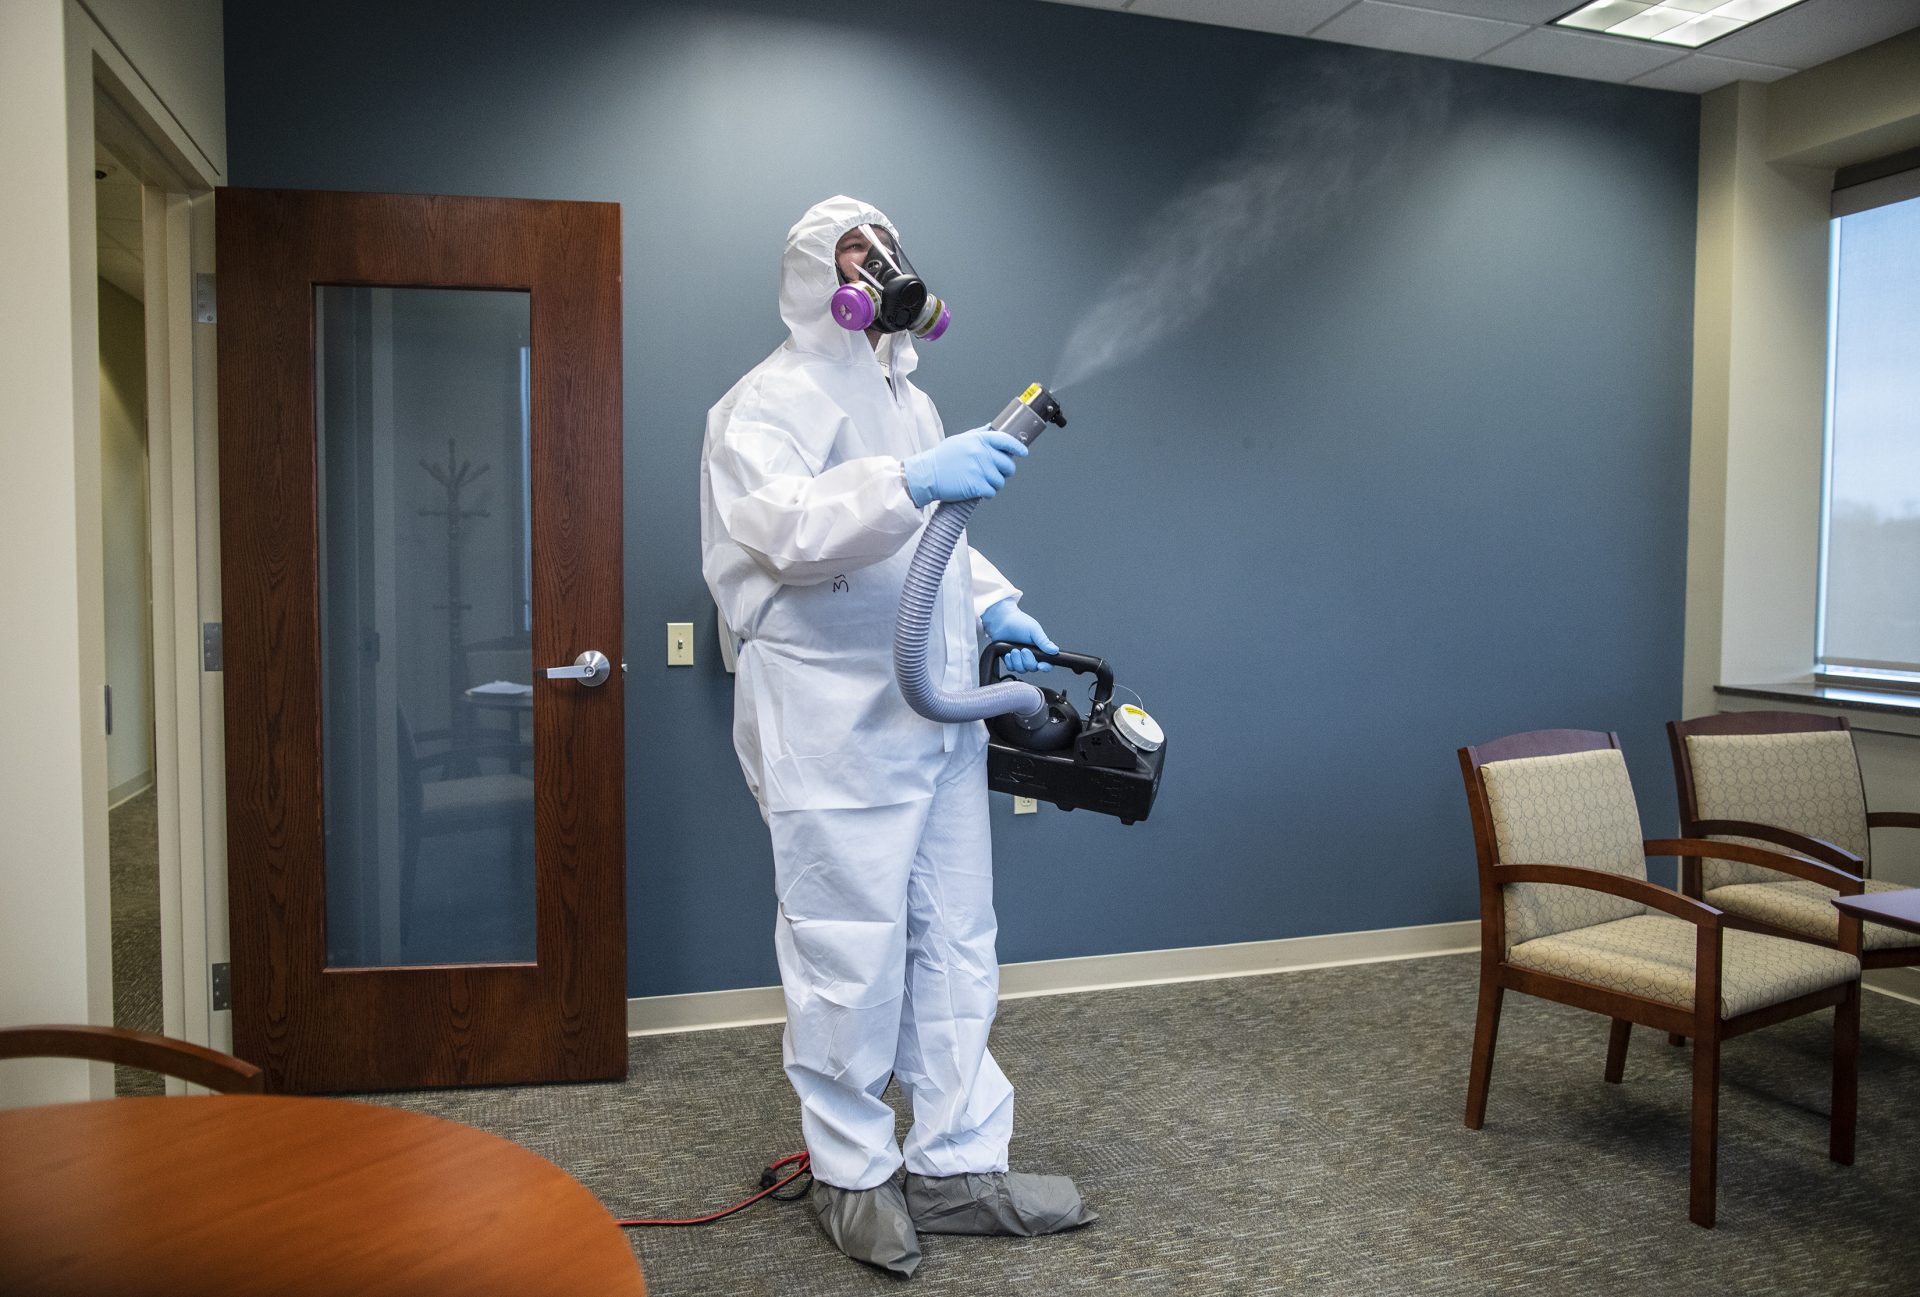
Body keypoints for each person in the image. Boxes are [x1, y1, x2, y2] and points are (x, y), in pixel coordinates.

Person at [700, 196, 1096, 1277]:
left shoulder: (908, 402)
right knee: (847, 948)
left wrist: (996, 603)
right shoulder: (764, 403)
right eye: (855, 257)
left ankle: (960, 1162)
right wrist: (910, 481)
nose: (881, 272)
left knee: (957, 937)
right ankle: (853, 1172)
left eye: (886, 251)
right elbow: (784, 527)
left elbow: (937, 548)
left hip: (935, 711)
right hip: (832, 718)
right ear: (812, 278)